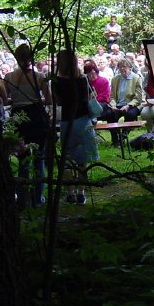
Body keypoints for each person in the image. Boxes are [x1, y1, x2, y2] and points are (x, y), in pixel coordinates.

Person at [4, 44, 52, 208]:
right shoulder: (39, 76)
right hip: (37, 117)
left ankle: (22, 199)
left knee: (23, 160)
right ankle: (37, 198)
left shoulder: (9, 77)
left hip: (19, 119)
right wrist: (35, 101)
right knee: (39, 158)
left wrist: (17, 101)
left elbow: (6, 99)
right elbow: (49, 99)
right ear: (31, 57)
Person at [53, 50, 99, 205]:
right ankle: (81, 192)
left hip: (67, 122)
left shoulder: (56, 81)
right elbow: (87, 99)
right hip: (83, 121)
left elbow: (58, 102)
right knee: (83, 159)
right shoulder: (82, 79)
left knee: (67, 158)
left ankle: (70, 192)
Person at [106, 58, 144, 146]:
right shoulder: (115, 79)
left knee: (130, 114)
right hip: (118, 105)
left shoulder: (136, 78)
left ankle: (123, 137)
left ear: (130, 68)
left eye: (125, 67)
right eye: (120, 67)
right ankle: (115, 140)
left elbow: (138, 98)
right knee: (109, 114)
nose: (122, 69)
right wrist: (113, 105)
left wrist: (127, 106)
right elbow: (112, 96)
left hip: (132, 105)